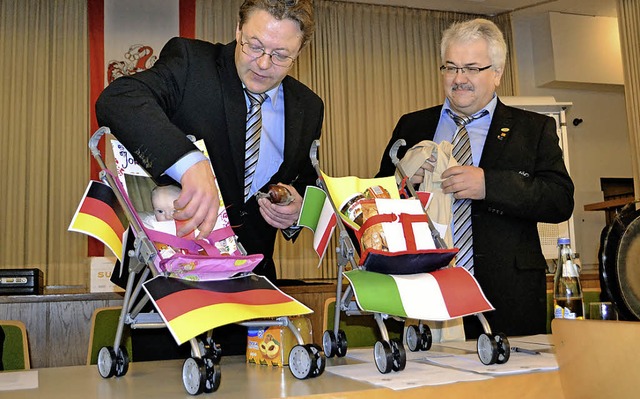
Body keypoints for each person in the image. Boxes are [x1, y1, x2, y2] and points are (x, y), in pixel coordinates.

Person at [96, 0, 323, 283]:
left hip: (251, 282)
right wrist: (188, 162)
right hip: (167, 276)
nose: (264, 64)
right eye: (254, 45)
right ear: (238, 30)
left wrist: (299, 207)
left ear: (299, 51)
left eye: (281, 55)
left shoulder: (310, 107)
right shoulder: (192, 63)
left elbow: (308, 181)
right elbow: (119, 99)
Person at [376, 18, 574, 339]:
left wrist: (489, 185)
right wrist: (402, 184)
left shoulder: (532, 129)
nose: (459, 79)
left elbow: (559, 200)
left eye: (471, 68)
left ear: (496, 73)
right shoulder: (412, 126)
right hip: (424, 292)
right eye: (451, 67)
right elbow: (376, 204)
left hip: (507, 298)